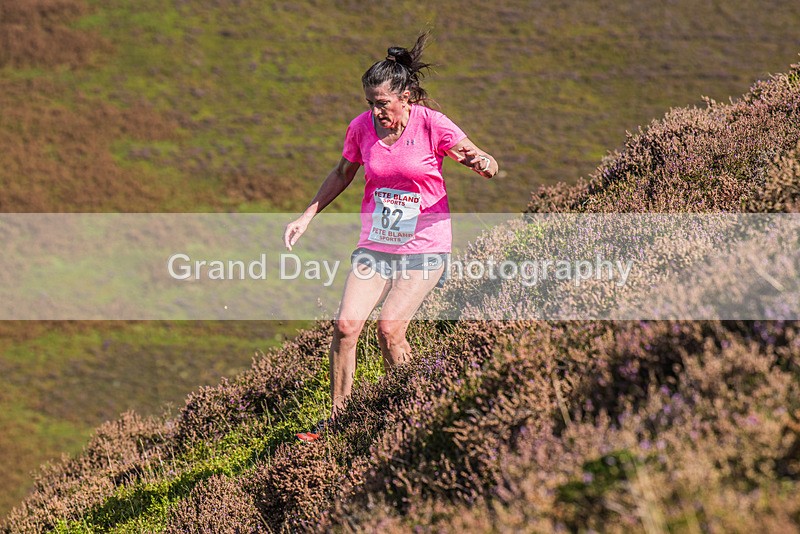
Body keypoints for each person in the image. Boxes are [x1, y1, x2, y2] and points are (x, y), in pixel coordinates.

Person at [284, 33, 498, 442]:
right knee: (346, 327)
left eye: (382, 103)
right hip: (376, 243)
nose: (376, 112)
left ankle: (414, 410)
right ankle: (338, 420)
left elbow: (480, 159)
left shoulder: (432, 124)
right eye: (370, 103)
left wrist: (483, 163)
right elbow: (342, 173)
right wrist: (307, 215)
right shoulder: (361, 128)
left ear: (406, 97)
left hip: (425, 244)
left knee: (389, 329)